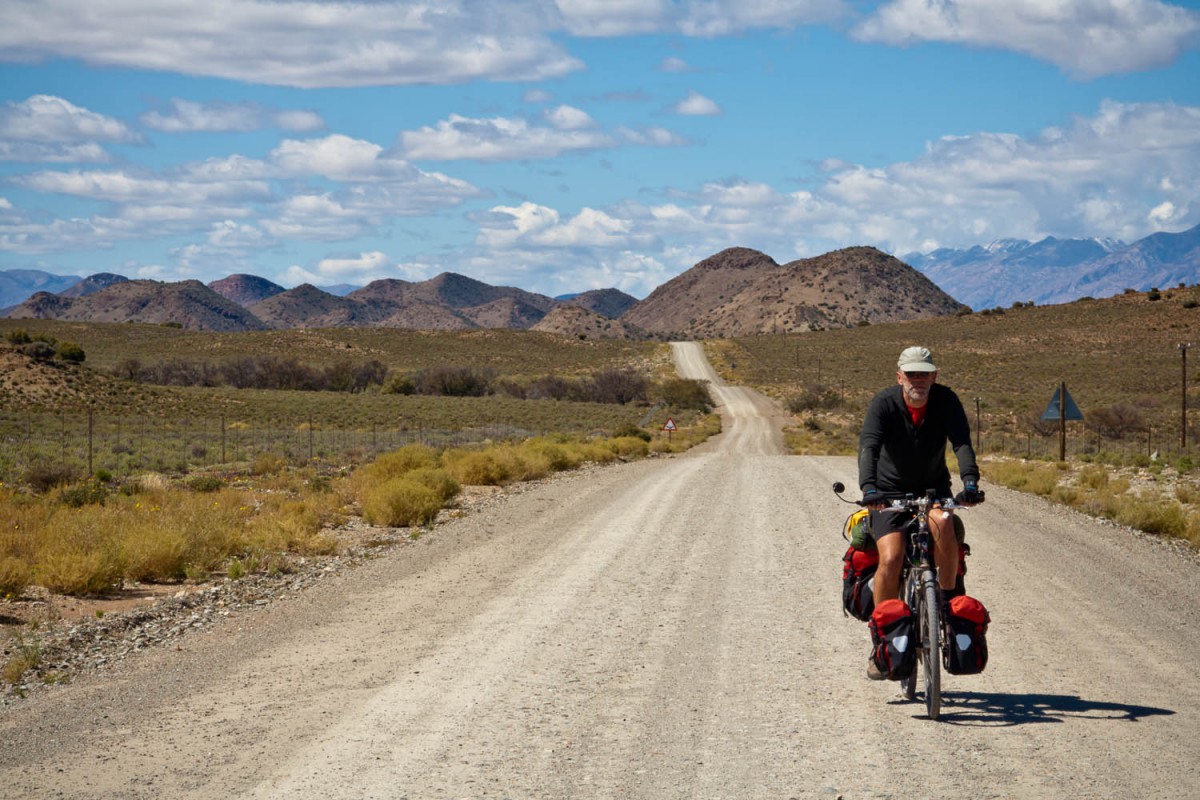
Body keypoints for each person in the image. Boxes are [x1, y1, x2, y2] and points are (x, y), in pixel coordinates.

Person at [858, 345, 983, 680]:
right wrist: (869, 489)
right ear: (899, 376)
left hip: (933, 489)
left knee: (944, 526)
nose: (918, 379)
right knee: (891, 557)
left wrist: (970, 482)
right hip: (887, 494)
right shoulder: (884, 403)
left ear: (934, 376)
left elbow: (961, 443)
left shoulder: (945, 401)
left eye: (924, 373)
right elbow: (869, 445)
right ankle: (884, 638)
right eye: (912, 373)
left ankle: (943, 606)